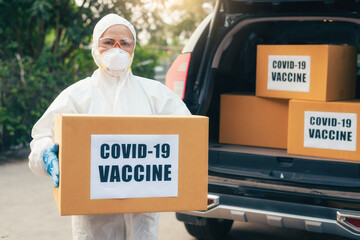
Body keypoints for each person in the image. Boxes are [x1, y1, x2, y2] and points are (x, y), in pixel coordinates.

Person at [28, 13, 191, 240]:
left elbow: (189, 136)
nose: (117, 49)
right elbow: (41, 136)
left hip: (142, 219)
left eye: (125, 43)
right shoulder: (77, 95)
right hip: (93, 221)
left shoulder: (156, 94)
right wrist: (45, 155)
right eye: (108, 42)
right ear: (96, 46)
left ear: (133, 48)